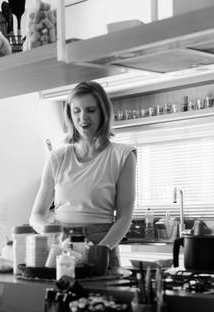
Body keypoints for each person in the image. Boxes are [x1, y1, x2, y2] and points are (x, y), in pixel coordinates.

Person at [29, 80, 136, 268]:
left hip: (102, 243)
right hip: (62, 246)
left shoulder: (123, 156)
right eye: (76, 111)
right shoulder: (57, 158)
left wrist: (101, 250)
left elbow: (124, 217)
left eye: (91, 110)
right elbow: (36, 216)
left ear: (103, 112)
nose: (83, 117)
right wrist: (54, 233)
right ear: (69, 115)